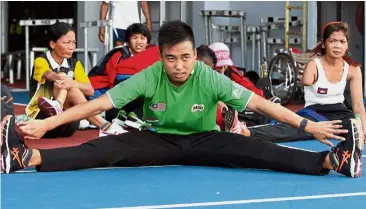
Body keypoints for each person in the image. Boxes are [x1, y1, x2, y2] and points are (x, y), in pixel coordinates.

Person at [1, 20, 362, 179]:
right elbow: (98, 104)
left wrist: (306, 124)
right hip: (158, 138)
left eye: (186, 57)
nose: (179, 66)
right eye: (171, 58)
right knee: (105, 151)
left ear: (194, 54)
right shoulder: (150, 75)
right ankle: (25, 156)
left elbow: (260, 105)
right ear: (161, 57)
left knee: (257, 152)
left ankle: (332, 162)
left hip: (205, 139)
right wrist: (47, 123)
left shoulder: (207, 75)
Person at [235, 21, 366, 144]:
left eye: (342, 42)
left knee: (355, 127)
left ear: (347, 44)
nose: (338, 46)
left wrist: (362, 129)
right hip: (315, 113)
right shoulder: (313, 66)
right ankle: (246, 131)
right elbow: (306, 82)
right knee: (293, 130)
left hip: (340, 113)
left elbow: (358, 105)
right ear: (324, 43)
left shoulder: (353, 69)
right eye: (333, 41)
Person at [25, 22, 126, 138]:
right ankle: (105, 125)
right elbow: (49, 74)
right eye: (67, 43)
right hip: (40, 119)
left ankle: (58, 104)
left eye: (73, 43)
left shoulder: (75, 64)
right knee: (65, 79)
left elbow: (90, 90)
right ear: (53, 44)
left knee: (73, 88)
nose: (72, 47)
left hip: (68, 123)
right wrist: (65, 80)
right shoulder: (41, 60)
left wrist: (73, 83)